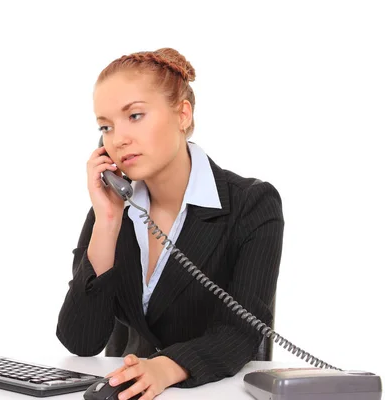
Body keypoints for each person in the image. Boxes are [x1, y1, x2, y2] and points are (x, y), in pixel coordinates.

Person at [56, 48, 284, 400]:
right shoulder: (116, 209)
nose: (118, 139)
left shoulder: (252, 205)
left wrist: (165, 367)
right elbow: (80, 341)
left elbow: (241, 333)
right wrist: (108, 220)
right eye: (106, 126)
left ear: (182, 113)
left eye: (135, 115)